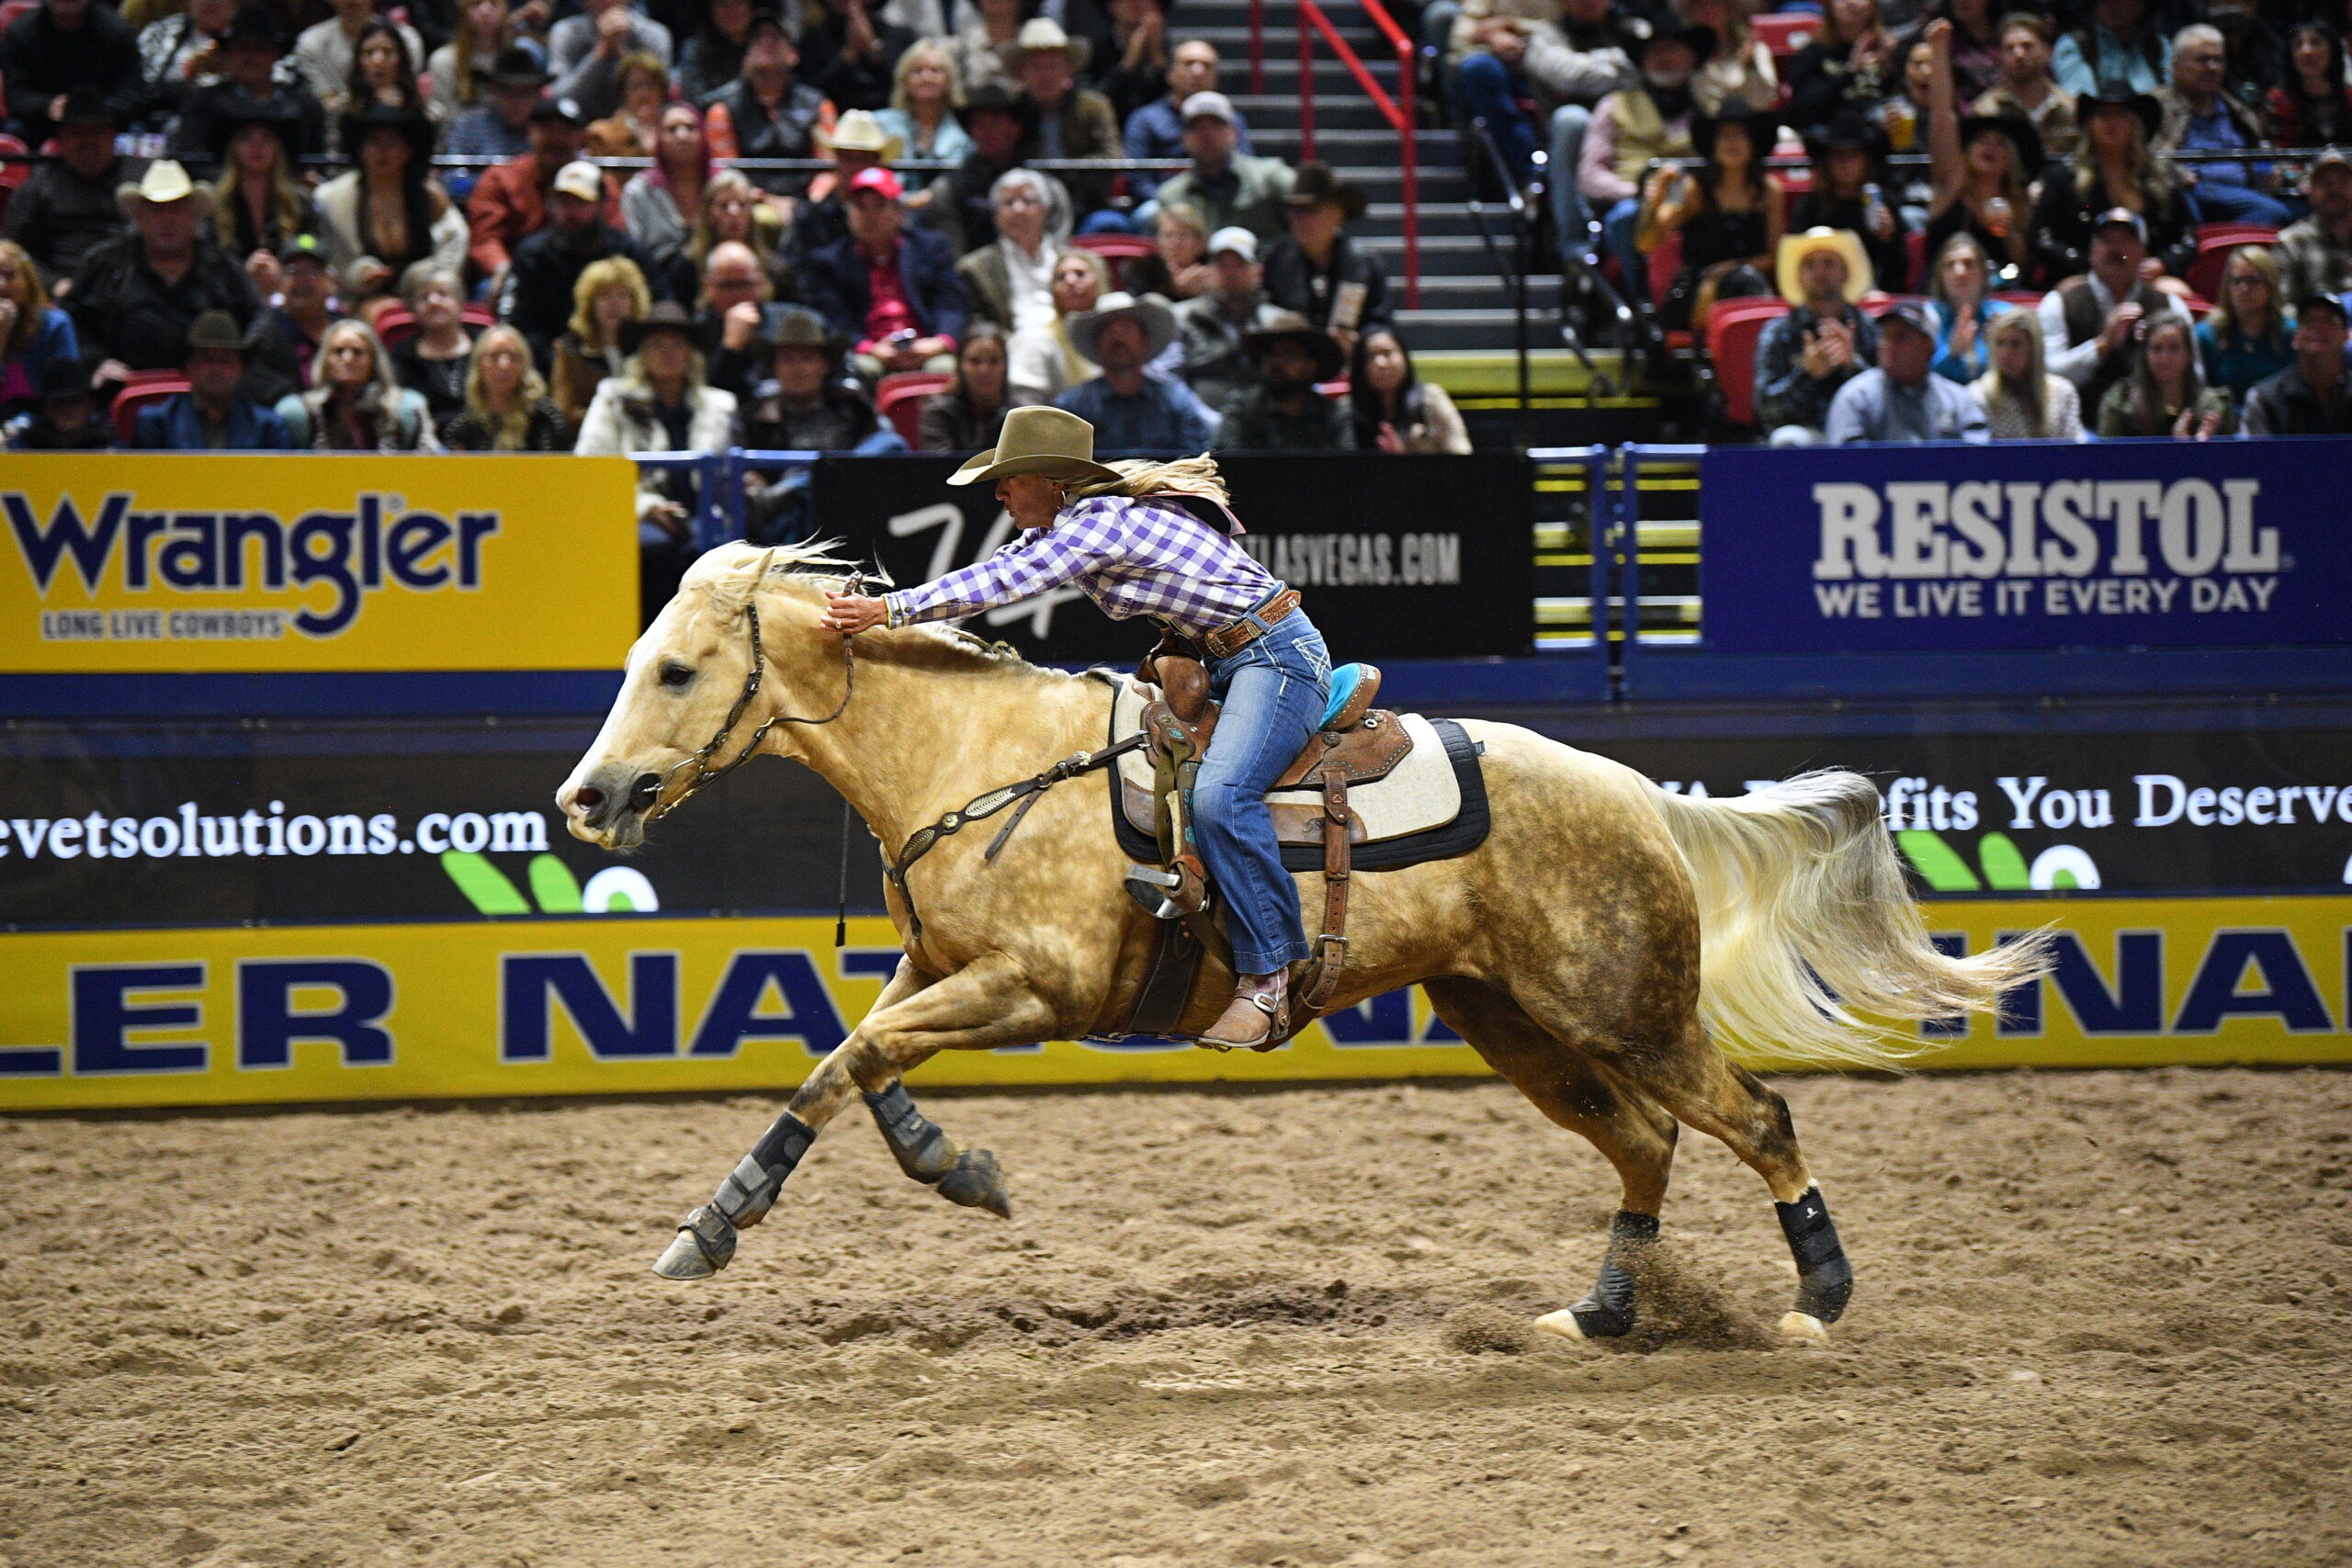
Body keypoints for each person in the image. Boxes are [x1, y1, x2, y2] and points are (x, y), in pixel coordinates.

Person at [820, 407, 1329, 1048]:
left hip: (1276, 658)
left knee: (1222, 795)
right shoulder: (1073, 526)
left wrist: (887, 609)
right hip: (1232, 657)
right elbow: (995, 573)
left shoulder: (1097, 526)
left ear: (1054, 482)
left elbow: (999, 582)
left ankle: (1270, 975)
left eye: (1011, 478)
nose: (1000, 492)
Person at [573, 300, 738, 621]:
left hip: (703, 512)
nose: (668, 353)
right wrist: (646, 506)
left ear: (691, 354)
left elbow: (727, 474)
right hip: (636, 514)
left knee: (720, 548)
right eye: (658, 345)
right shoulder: (614, 399)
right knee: (655, 549)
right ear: (643, 353)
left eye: (677, 345)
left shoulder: (719, 406)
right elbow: (591, 466)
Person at [69, 160, 263, 379]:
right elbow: (72, 317)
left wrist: (235, 365)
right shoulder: (104, 263)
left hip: (209, 392)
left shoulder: (224, 267)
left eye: (177, 210)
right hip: (119, 388)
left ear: (193, 217)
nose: (167, 220)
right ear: (140, 217)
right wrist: (96, 362)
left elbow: (259, 318)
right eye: (157, 210)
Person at [741, 306, 906, 543]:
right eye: (788, 360)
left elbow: (889, 448)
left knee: (891, 442)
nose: (797, 369)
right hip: (790, 519)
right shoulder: (754, 415)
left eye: (806, 359)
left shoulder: (853, 405)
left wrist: (826, 475)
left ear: (825, 365)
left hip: (851, 502)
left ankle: (803, 483)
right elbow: (739, 470)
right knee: (801, 508)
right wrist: (751, 479)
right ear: (775, 367)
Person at [1576, 26, 1713, 299]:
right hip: (1632, 197)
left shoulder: (1709, 105)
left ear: (1692, 57)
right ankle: (1643, 304)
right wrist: (1636, 193)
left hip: (1696, 200)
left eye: (1672, 48)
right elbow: (1590, 174)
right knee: (1627, 217)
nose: (1663, 58)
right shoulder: (1614, 103)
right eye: (1654, 51)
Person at [802, 165, 967, 383]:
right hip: (869, 350)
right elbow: (834, 320)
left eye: (879, 206)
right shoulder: (830, 261)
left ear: (899, 212)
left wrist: (941, 342)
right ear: (849, 215)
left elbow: (951, 303)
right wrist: (868, 348)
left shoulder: (931, 248)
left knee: (944, 368)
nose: (869, 216)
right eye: (860, 207)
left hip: (927, 345)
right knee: (861, 370)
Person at [1634, 98, 1781, 333]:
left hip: (1750, 285)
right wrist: (1653, 204)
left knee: (1745, 279)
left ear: (1754, 141)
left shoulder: (1770, 190)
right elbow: (1646, 243)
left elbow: (1773, 257)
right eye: (1724, 135)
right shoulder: (1692, 188)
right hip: (1698, 291)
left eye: (1740, 135)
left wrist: (1730, 269)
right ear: (1713, 143)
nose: (1732, 143)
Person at [2028, 82, 2193, 286]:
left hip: (2148, 277)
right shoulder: (2062, 177)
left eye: (2121, 115)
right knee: (2070, 292)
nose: (2111, 122)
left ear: (2136, 124)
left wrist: (2162, 263)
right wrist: (2090, 263)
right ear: (2090, 124)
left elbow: (2188, 239)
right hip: (2083, 275)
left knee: (2177, 292)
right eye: (2103, 115)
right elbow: (2043, 240)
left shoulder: (2162, 175)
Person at [504, 160, 663, 368]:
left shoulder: (630, 252)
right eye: (564, 203)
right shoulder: (532, 255)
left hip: (627, 361)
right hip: (550, 364)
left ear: (602, 205)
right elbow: (519, 323)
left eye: (581, 204)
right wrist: (562, 365)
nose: (571, 212)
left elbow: (659, 306)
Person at [315, 106, 466, 313]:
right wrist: (359, 274)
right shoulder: (335, 200)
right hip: (357, 302)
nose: (382, 152)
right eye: (374, 142)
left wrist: (424, 277)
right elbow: (334, 263)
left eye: (392, 143)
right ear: (360, 148)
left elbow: (455, 242)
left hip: (428, 299)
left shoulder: (431, 197)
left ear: (408, 150)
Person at [467, 96, 623, 293]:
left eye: (566, 131)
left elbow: (617, 236)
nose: (556, 139)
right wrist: (503, 270)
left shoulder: (602, 185)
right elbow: (486, 239)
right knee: (490, 288)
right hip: (521, 275)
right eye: (547, 129)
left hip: (592, 278)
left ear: (581, 138)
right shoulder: (500, 179)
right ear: (530, 132)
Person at [1919, 21, 2036, 285]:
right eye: (1981, 141)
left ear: (2012, 158)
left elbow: (2024, 266)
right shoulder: (1951, 186)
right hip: (1940, 297)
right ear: (1967, 152)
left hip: (1998, 300)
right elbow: (1942, 117)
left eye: (2000, 143)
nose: (1990, 147)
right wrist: (1938, 51)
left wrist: (2009, 234)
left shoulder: (2021, 204)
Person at [2038, 207, 2178, 416]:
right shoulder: (2059, 302)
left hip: (2153, 429)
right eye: (2107, 240)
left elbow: (2193, 376)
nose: (2116, 250)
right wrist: (2102, 344)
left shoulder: (2168, 305)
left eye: (2126, 241)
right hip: (2079, 427)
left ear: (2143, 252)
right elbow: (2047, 376)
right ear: (2093, 251)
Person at [2154, 25, 2290, 230]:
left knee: (2292, 209)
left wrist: (2268, 173)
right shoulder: (2157, 105)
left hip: (2241, 191)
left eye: (2218, 60)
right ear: (2176, 66)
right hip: (2190, 188)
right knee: (2271, 211)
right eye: (2202, 60)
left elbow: (2261, 153)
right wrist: (2174, 173)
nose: (2212, 67)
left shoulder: (2236, 108)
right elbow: (2147, 155)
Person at [1754, 226, 1880, 443]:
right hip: (1806, 436)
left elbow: (1891, 402)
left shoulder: (1869, 328)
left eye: (1829, 263)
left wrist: (1853, 367)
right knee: (1787, 439)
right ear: (1799, 277)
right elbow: (1766, 412)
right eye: (1809, 265)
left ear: (1846, 272)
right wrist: (1807, 374)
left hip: (1861, 436)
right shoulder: (1777, 333)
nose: (1819, 272)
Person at [3, 92, 139, 289]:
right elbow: (16, 250)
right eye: (76, 133)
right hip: (60, 291)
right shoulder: (38, 187)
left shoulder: (140, 179)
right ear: (60, 140)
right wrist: (53, 284)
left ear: (113, 137)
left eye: (97, 132)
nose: (87, 141)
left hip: (132, 289)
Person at [170, 4, 329, 168]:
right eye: (242, 48)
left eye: (260, 49)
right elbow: (193, 162)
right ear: (228, 54)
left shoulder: (305, 106)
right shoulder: (203, 100)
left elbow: (314, 164)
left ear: (276, 55)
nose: (251, 58)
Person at [1057, 290, 1216, 449]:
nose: (1118, 338)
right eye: (1108, 331)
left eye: (1127, 329)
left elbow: (1194, 462)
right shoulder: (1073, 407)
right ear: (1097, 344)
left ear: (1145, 342)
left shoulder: (1176, 400)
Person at [702, 8, 833, 198]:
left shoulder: (819, 105)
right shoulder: (723, 111)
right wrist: (764, 201)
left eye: (776, 37)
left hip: (807, 204)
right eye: (757, 38)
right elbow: (725, 172)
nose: (766, 43)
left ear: (794, 55)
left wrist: (810, 205)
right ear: (745, 58)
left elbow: (828, 168)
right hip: (749, 203)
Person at [1262, 163, 1391, 347]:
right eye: (1296, 210)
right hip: (1292, 360)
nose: (1302, 219)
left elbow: (1380, 321)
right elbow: (1260, 309)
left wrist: (1359, 341)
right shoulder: (1274, 259)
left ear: (1338, 215)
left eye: (1312, 210)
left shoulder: (1365, 264)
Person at [1825, 299, 1990, 441]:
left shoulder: (1957, 400)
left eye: (1901, 337)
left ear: (1929, 346)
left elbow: (1978, 458)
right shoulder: (1855, 398)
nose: (1890, 345)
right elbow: (1848, 463)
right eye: (1885, 336)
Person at [1008, 17, 1121, 222]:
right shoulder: (1010, 111)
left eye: (1053, 65)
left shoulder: (1093, 106)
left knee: (1107, 222)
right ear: (1021, 72)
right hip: (1024, 206)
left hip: (1086, 202)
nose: (1045, 75)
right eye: (1036, 66)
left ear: (1069, 70)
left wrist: (1061, 175)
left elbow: (1111, 157)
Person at [1151, 92, 1295, 246]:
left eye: (1216, 125)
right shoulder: (1172, 196)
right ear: (1184, 138)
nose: (1207, 134)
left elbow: (1311, 197)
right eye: (1197, 127)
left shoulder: (1269, 176)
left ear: (1234, 133)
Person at [132, 307, 291, 446]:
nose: (216, 368)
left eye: (225, 360)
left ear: (240, 368)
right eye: (207, 359)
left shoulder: (268, 427)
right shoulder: (157, 423)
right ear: (189, 365)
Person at [0, 0, 146, 152]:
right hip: (44, 121)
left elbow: (133, 93)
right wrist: (47, 106)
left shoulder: (118, 31)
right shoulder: (20, 32)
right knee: (14, 131)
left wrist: (94, 109)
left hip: (107, 119)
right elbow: (16, 95)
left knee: (138, 131)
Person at [1124, 39, 1251, 211]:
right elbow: (1137, 177)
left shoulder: (1232, 120)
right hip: (1163, 203)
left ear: (1215, 78)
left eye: (1206, 65)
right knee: (1149, 212)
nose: (1197, 71)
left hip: (1222, 201)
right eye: (1189, 63)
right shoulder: (1145, 119)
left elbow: (1245, 167)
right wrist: (1170, 203)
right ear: (1170, 74)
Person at [1790, 115, 1911, 293]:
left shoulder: (1882, 204)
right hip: (1820, 291)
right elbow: (1795, 260)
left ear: (1867, 161)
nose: (1846, 162)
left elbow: (1899, 270)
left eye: (1854, 155)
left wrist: (1889, 240)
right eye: (1838, 155)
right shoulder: (1810, 205)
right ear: (1827, 162)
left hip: (1874, 294)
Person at [277, 316, 439, 447]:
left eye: (358, 352)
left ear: (373, 361)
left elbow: (429, 463)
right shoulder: (300, 413)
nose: (347, 359)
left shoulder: (405, 409)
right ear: (325, 360)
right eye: (338, 351)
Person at [1170, 225, 1285, 412]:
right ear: (1207, 271)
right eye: (1221, 264)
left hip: (1266, 429)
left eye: (1240, 264)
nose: (1230, 272)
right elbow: (1170, 384)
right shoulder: (1179, 318)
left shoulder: (1278, 323)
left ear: (1259, 273)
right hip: (1197, 428)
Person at [956, 167, 1074, 334]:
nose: (1018, 209)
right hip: (1011, 345)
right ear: (996, 216)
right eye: (1008, 203)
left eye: (1028, 201)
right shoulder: (975, 268)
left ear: (1045, 211)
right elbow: (977, 326)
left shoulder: (1076, 261)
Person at [921, 82, 1034, 254]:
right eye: (979, 124)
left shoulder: (1041, 186)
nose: (986, 132)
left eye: (995, 123)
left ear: (1016, 129)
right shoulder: (950, 188)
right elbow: (952, 252)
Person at [1216, 310, 1352, 450]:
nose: (1277, 361)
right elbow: (1224, 464)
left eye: (1290, 354)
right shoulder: (1242, 408)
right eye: (1270, 353)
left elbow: (1346, 466)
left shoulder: (1332, 414)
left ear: (1311, 366)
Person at [209, 100, 315, 272]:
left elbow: (312, 255)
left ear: (278, 149)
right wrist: (245, 276)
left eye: (267, 138)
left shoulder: (300, 203)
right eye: (246, 138)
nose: (256, 146)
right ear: (233, 148)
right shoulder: (215, 204)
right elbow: (209, 265)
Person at [550, 253, 650, 434]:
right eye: (604, 296)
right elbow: (563, 413)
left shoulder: (647, 347)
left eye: (622, 295)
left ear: (634, 301)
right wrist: (617, 415)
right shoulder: (570, 350)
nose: (615, 304)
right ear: (590, 303)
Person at [2094, 311, 2231, 438]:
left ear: (2189, 353)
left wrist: (2204, 450)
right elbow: (2108, 459)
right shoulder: (2120, 404)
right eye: (2157, 348)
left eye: (2174, 348)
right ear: (2145, 354)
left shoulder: (2213, 407)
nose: (2165, 358)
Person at [437, 321, 568, 449]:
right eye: (494, 356)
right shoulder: (461, 428)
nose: (504, 365)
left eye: (513, 357)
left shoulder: (547, 418)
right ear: (478, 365)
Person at [622, 100, 711, 282]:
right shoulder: (638, 191)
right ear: (659, 138)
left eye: (690, 128)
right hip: (659, 280)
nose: (682, 136)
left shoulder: (721, 185)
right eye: (672, 130)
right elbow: (635, 252)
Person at [1007, 249, 1109, 406]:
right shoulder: (1036, 339)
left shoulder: (1112, 338)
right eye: (1061, 277)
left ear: (1100, 283)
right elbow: (1026, 407)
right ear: (1052, 292)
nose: (1071, 281)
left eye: (1080, 274)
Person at [2241, 294, 2352, 435]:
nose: (2318, 326)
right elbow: (2256, 456)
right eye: (2309, 320)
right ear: (2295, 338)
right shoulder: (2263, 399)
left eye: (2330, 320)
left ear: (2346, 336)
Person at [1972, 12, 2076, 160]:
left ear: (2047, 52)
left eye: (2027, 46)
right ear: (2000, 57)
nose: (2019, 54)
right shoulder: (1986, 112)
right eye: (2009, 48)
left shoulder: (2070, 109)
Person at [548, 0, 674, 123]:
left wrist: (620, 49)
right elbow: (559, 98)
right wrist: (599, 52)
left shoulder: (655, 35)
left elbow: (659, 97)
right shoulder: (566, 32)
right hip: (576, 128)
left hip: (638, 128)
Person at [1349, 325, 1470, 453]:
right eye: (1370, 356)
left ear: (1404, 357)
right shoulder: (1349, 411)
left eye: (1387, 353)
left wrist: (1405, 459)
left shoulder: (1431, 399)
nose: (1380, 363)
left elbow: (1462, 455)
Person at [2197, 244, 2295, 401]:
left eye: (2254, 280)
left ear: (2270, 285)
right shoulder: (2207, 335)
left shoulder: (2289, 333)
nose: (2244, 289)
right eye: (2237, 281)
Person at [1970, 307, 2082, 438]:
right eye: (2000, 343)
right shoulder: (1979, 395)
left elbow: (2076, 447)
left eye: (2016, 344)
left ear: (2034, 348)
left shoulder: (2063, 392)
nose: (2006, 353)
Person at [1786, 0, 1898, 131]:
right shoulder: (1812, 52)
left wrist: (1888, 71)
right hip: (1828, 136)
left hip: (1879, 135)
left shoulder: (1889, 50)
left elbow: (1906, 103)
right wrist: (1851, 71)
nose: (1850, 2)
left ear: (1873, 5)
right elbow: (1804, 108)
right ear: (1829, 6)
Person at [294, 0, 424, 113]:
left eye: (387, 52)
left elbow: (409, 95)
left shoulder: (407, 39)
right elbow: (326, 102)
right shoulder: (311, 42)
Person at [427, 0, 534, 131]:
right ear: (464, 12)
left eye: (494, 3)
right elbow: (446, 118)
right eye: (476, 3)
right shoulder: (443, 60)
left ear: (505, 10)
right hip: (460, 139)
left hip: (511, 136)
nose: (485, 11)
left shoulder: (519, 57)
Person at [0, 241, 79, 416]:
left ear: (27, 281)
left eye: (9, 275)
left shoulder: (54, 324)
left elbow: (66, 397)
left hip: (39, 430)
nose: (1, 285)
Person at [388, 262, 472, 421]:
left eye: (443, 294)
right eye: (424, 297)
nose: (434, 302)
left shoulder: (485, 346)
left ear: (461, 302)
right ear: (412, 309)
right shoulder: (402, 356)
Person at [797, 0, 913, 115]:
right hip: (834, 118)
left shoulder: (899, 35)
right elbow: (809, 92)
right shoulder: (812, 40)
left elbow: (905, 85)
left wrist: (873, 48)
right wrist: (848, 56)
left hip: (892, 116)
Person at [2276, 149, 2352, 309]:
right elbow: (2282, 310)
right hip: (2314, 330)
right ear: (2310, 190)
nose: (2335, 188)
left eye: (2343, 181)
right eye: (2325, 182)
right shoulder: (2291, 241)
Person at [263, 232, 341, 389]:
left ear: (331, 282)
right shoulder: (266, 333)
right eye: (293, 271)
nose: (303, 280)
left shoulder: (346, 328)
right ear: (279, 282)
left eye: (313, 271)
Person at [447, 45, 548, 163]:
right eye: (508, 92)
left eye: (524, 93)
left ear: (537, 94)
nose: (516, 101)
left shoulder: (548, 132)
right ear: (495, 92)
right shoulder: (470, 126)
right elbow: (452, 173)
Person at [876, 38, 973, 162]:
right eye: (917, 71)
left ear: (950, 81)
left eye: (935, 70)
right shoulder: (880, 124)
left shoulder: (965, 131)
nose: (926, 78)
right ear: (905, 81)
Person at [917, 321, 1010, 450]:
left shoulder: (1019, 410)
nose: (984, 370)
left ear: (1006, 365)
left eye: (994, 361)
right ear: (960, 365)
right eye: (975, 361)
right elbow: (937, 468)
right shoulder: (939, 411)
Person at [2052, 0, 2168, 99]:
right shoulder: (2075, 44)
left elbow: (2171, 95)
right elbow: (2079, 97)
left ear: (2141, 5)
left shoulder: (2158, 46)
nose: (2111, 3)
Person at [2267, 24, 2352, 152]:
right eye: (2298, 45)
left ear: (2333, 50)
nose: (2306, 51)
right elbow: (2277, 151)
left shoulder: (2349, 96)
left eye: (2316, 42)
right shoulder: (2279, 100)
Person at [1925, 231, 1996, 383]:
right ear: (1940, 276)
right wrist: (1952, 352)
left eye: (1968, 263)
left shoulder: (2003, 315)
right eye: (1950, 265)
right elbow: (1915, 376)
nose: (1960, 272)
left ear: (1984, 272)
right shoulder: (1927, 317)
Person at [7, 356, 116, 448]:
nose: (67, 410)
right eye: (58, 403)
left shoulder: (110, 446)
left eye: (75, 401)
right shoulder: (25, 446)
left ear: (91, 404)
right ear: (46, 408)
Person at [586, 51, 672, 157]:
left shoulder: (678, 134)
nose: (643, 93)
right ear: (623, 92)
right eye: (635, 86)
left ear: (662, 90)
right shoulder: (602, 134)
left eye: (650, 85)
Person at [1125, 199, 1210, 300]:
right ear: (1157, 241)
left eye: (1184, 235)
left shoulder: (1213, 267)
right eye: (1168, 235)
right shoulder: (1141, 270)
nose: (1175, 243)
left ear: (1200, 241)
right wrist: (1176, 290)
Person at [679, 0, 756, 106]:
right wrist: (746, 81)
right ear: (710, 9)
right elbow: (695, 103)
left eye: (738, 3)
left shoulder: (770, 43)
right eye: (723, 4)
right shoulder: (694, 49)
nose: (731, 11)